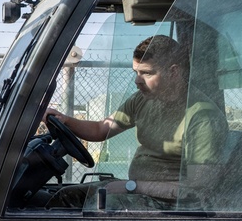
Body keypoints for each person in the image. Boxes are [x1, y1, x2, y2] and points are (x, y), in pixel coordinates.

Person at [45, 34, 227, 208]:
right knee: (65, 197)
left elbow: (197, 189)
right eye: (136, 72)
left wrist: (131, 186)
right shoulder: (143, 99)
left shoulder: (203, 118)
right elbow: (101, 129)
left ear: (173, 72)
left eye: (146, 73)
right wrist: (65, 120)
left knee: (102, 206)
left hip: (172, 205)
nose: (137, 81)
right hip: (139, 191)